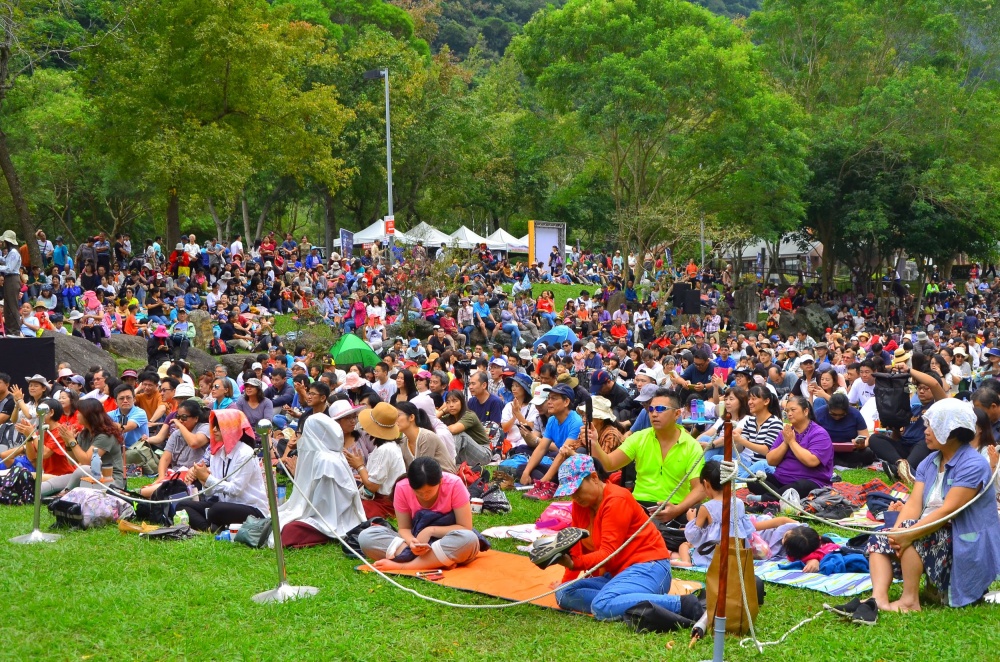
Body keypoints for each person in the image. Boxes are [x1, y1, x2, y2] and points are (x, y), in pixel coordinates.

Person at [850, 399, 1000, 624]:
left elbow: (949, 511)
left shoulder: (973, 464)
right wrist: (896, 531)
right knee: (881, 536)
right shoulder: (930, 461)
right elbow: (913, 504)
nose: (926, 431)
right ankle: (878, 597)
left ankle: (910, 600)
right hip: (932, 529)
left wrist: (908, 533)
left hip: (961, 538)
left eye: (932, 425)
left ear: (950, 430)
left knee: (912, 532)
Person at [551, 454, 703, 622]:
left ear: (594, 478)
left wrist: (574, 563)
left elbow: (608, 554)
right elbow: (578, 550)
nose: (575, 497)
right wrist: (567, 577)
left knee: (601, 606)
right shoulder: (580, 506)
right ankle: (622, 601)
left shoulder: (616, 499)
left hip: (650, 568)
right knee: (563, 592)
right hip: (618, 574)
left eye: (577, 490)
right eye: (571, 493)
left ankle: (682, 604)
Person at [585, 389, 705, 551]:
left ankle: (648, 538)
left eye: (661, 409)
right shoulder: (639, 438)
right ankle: (659, 539)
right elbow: (609, 464)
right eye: (651, 409)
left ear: (677, 414)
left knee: (703, 514)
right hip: (639, 505)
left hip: (676, 507)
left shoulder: (692, 446)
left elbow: (700, 489)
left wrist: (677, 509)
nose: (654, 414)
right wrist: (594, 444)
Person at [358, 457, 485, 571]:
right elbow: (404, 528)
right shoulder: (402, 487)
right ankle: (436, 561)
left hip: (448, 540)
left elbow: (465, 527)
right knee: (366, 537)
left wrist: (430, 531)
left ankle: (405, 565)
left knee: (469, 539)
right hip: (417, 545)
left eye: (429, 491)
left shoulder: (454, 484)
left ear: (440, 481)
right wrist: (412, 542)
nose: (425, 496)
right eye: (418, 492)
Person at [279, 413, 366, 548]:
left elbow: (323, 507)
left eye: (302, 433)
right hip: (327, 514)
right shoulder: (326, 454)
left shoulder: (325, 460)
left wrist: (302, 511)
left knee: (289, 530)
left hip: (334, 520)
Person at [177, 410, 268, 532]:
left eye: (219, 427)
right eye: (213, 426)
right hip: (225, 505)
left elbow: (236, 489)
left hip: (251, 508)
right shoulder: (217, 453)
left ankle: (213, 524)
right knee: (182, 506)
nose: (214, 430)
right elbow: (210, 494)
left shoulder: (245, 453)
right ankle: (209, 528)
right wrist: (203, 480)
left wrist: (207, 478)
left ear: (232, 429)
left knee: (217, 510)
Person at [747, 395, 833, 500]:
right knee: (753, 479)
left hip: (810, 481)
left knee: (799, 487)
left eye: (793, 410)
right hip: (781, 480)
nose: (789, 414)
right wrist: (785, 442)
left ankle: (766, 499)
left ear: (805, 411)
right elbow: (770, 460)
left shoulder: (819, 433)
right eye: (787, 411)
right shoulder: (786, 433)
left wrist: (792, 442)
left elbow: (811, 461)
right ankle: (782, 497)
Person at [47, 398, 125, 494]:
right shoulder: (84, 434)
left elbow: (87, 462)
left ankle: (65, 493)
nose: (77, 415)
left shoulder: (105, 436)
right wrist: (68, 442)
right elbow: (72, 462)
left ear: (89, 416)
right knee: (53, 483)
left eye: (79, 413)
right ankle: (32, 495)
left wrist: (72, 441)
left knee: (84, 469)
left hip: (110, 481)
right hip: (87, 477)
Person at [520, 384, 583, 500]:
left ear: (566, 402)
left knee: (550, 472)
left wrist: (543, 481)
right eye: (549, 398)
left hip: (572, 466)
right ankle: (550, 483)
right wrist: (526, 471)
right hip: (559, 464)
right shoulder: (552, 420)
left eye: (554, 398)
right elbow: (541, 448)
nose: (549, 402)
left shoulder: (576, 422)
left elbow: (563, 454)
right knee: (524, 467)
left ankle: (549, 485)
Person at [345, 402, 407, 518]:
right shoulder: (388, 446)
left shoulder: (385, 450)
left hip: (386, 502)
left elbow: (372, 487)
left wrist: (359, 466)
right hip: (387, 497)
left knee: (353, 511)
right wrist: (363, 475)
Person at [138, 399, 210, 497]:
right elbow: (166, 458)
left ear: (196, 418)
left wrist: (180, 425)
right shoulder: (176, 434)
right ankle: (136, 495)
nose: (180, 420)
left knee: (154, 490)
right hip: (175, 472)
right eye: (178, 417)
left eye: (184, 417)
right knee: (156, 485)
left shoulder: (205, 428)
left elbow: (194, 443)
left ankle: (135, 495)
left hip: (192, 475)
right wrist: (161, 476)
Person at [813, 392, 875, 468]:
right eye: (833, 414)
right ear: (828, 408)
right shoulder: (819, 413)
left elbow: (866, 437)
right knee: (817, 455)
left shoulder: (855, 414)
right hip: (826, 450)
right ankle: (847, 464)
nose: (837, 417)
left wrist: (861, 445)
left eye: (842, 415)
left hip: (850, 451)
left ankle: (838, 462)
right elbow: (811, 435)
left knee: (867, 453)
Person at [395, 401, 457, 473]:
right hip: (422, 480)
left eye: (397, 416)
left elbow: (423, 470)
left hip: (445, 479)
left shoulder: (427, 437)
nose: (394, 420)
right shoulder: (403, 443)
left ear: (411, 417)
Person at [438, 390, 492, 466]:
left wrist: (437, 428)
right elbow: (431, 423)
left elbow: (453, 429)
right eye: (448, 402)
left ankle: (446, 465)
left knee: (459, 435)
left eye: (454, 401)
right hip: (464, 454)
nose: (451, 405)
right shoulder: (449, 418)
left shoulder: (469, 415)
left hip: (483, 454)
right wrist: (443, 411)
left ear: (462, 403)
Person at [1, 230, 22, 336]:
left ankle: (15, 330)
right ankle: (9, 330)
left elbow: (9, 268)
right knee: (7, 305)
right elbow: (5, 261)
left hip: (12, 278)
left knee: (12, 305)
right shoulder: (10, 253)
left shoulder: (14, 252)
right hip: (9, 279)